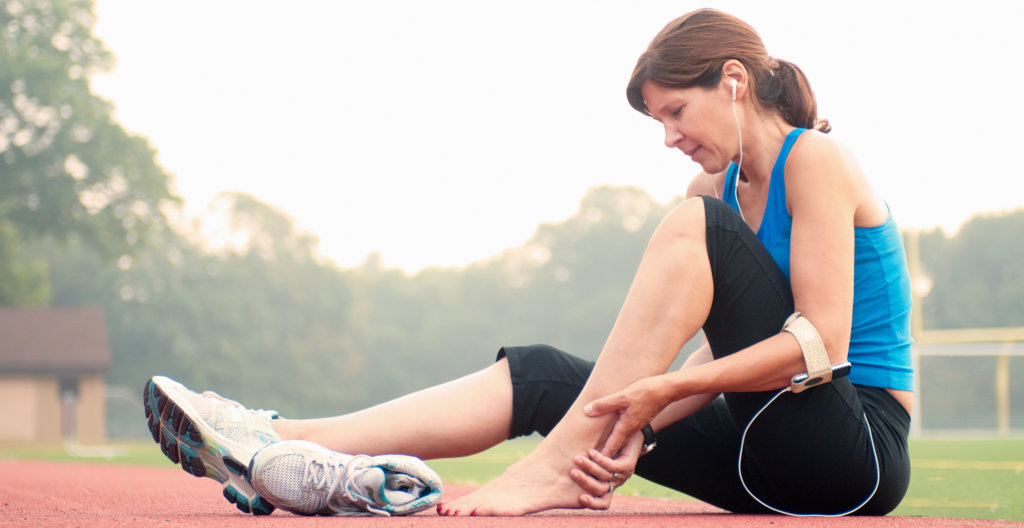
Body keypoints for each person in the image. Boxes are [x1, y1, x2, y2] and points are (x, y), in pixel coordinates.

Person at [144, 8, 913, 518]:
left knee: (693, 228)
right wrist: (633, 430)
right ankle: (278, 443)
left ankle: (553, 466)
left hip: (855, 456)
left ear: (733, 82)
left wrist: (663, 391)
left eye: (676, 111)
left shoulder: (815, 159)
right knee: (546, 375)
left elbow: (820, 347)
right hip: (758, 461)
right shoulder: (715, 188)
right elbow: (726, 352)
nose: (669, 137)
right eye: (658, 121)